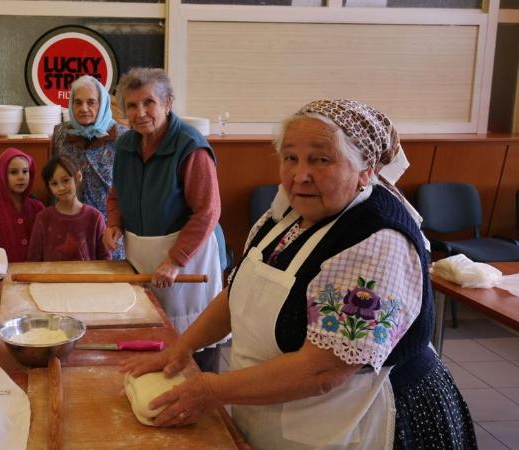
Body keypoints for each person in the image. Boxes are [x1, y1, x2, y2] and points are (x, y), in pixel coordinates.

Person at [122, 99, 476, 450]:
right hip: (287, 414)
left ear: (365, 169)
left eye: (321, 160)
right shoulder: (283, 216)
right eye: (290, 158)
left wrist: (211, 389)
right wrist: (181, 348)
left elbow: (323, 372)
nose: (299, 174)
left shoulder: (377, 240)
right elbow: (237, 295)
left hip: (367, 420)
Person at [104, 68, 225, 372]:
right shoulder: (125, 145)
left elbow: (207, 211)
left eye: (149, 103)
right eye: (131, 106)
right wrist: (114, 223)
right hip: (141, 252)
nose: (140, 113)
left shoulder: (190, 146)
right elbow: (117, 191)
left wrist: (175, 260)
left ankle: (204, 399)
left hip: (188, 256)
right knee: (151, 328)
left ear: (168, 103)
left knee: (194, 337)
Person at [50, 75, 128, 258]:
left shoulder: (123, 137)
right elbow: (52, 178)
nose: (83, 109)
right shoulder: (61, 133)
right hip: (69, 225)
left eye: (91, 102)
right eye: (78, 103)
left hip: (109, 228)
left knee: (109, 280)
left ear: (102, 104)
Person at [27, 155, 111, 261]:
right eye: (54, 183)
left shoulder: (95, 217)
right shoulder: (43, 218)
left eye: (66, 180)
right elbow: (33, 259)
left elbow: (105, 258)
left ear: (79, 176)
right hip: (51, 277)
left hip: (88, 277)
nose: (61, 188)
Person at [0, 147, 45, 262]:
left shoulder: (38, 208)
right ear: (3, 175)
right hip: (3, 275)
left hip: (36, 274)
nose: (21, 177)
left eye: (25, 171)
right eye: (13, 172)